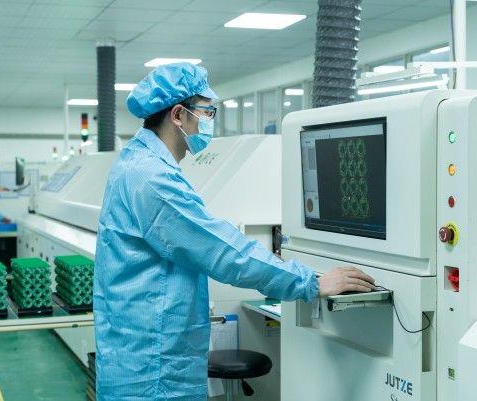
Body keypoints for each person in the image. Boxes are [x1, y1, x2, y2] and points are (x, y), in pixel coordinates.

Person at [93, 62, 376, 400]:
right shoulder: (151, 178)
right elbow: (224, 252)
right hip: (153, 366)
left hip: (138, 350)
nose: (208, 121)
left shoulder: (136, 162)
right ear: (178, 115)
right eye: (206, 111)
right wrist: (311, 283)